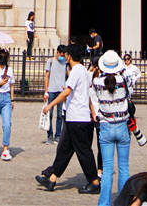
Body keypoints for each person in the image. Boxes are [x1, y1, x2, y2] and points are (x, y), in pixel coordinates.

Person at [37, 41, 100, 194]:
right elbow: (86, 95)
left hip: (77, 118)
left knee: (83, 151)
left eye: (66, 54)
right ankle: (52, 179)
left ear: (69, 55)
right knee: (64, 150)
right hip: (77, 117)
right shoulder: (84, 71)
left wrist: (50, 105)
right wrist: (92, 112)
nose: (64, 56)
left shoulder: (76, 71)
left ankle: (94, 182)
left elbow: (66, 92)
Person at [92, 50, 133, 206]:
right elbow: (130, 86)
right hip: (122, 126)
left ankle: (104, 203)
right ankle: (124, 202)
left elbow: (93, 98)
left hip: (106, 126)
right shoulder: (124, 80)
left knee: (107, 170)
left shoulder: (97, 82)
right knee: (124, 167)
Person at [43, 45, 68, 143]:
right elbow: (47, 76)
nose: (62, 56)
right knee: (49, 114)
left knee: (59, 115)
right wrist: (46, 91)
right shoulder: (50, 61)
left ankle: (58, 135)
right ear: (57, 52)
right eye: (61, 54)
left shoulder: (65, 62)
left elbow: (67, 75)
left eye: (63, 55)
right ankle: (49, 135)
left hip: (61, 91)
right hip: (51, 90)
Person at [121, 53, 146, 146]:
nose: (127, 60)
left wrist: (134, 78)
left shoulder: (133, 68)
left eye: (128, 59)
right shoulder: (122, 67)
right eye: (125, 59)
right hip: (124, 86)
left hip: (130, 87)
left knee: (129, 101)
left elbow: (139, 74)